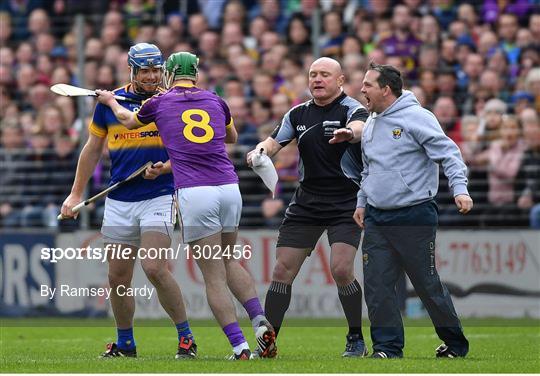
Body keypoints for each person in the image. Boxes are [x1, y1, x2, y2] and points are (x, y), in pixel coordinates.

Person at [95, 51, 276, 360]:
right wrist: (169, 162)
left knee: (214, 276)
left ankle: (240, 347)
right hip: (229, 188)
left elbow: (126, 119)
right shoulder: (215, 100)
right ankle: (259, 321)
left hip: (197, 192)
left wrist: (110, 101)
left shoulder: (159, 102)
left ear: (168, 73)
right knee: (230, 260)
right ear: (196, 73)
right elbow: (228, 136)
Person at [60, 43, 197, 359]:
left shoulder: (171, 101)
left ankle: (186, 338)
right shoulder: (109, 104)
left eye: (155, 70)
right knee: (117, 277)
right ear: (132, 71)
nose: (151, 77)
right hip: (120, 197)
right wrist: (76, 193)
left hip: (160, 195)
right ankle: (125, 343)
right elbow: (93, 148)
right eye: (144, 70)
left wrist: (166, 167)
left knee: (154, 267)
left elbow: (191, 151)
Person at [246, 57, 369, 357]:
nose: (317, 79)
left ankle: (355, 337)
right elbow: (273, 142)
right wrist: (258, 152)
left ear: (340, 80)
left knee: (341, 269)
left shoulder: (351, 108)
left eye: (325, 75)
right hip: (307, 202)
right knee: (281, 270)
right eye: (313, 74)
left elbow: (362, 127)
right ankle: (269, 342)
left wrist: (349, 133)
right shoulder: (298, 112)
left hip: (345, 202)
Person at [349, 62, 472, 358]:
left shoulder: (418, 117)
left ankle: (455, 344)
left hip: (413, 214)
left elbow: (450, 154)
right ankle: (387, 349)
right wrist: (362, 202)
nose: (361, 89)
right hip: (377, 216)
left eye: (367, 85)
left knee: (427, 285)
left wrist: (460, 189)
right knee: (377, 285)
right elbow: (368, 170)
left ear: (386, 90)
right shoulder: (371, 123)